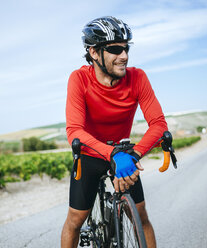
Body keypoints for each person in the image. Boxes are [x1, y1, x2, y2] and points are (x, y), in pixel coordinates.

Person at [61, 16, 167, 248]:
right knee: (75, 220)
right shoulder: (79, 79)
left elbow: (158, 124)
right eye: (115, 49)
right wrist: (111, 154)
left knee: (140, 216)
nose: (124, 56)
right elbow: (75, 131)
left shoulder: (138, 78)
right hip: (90, 153)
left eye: (126, 48)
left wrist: (134, 155)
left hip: (124, 154)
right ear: (94, 53)